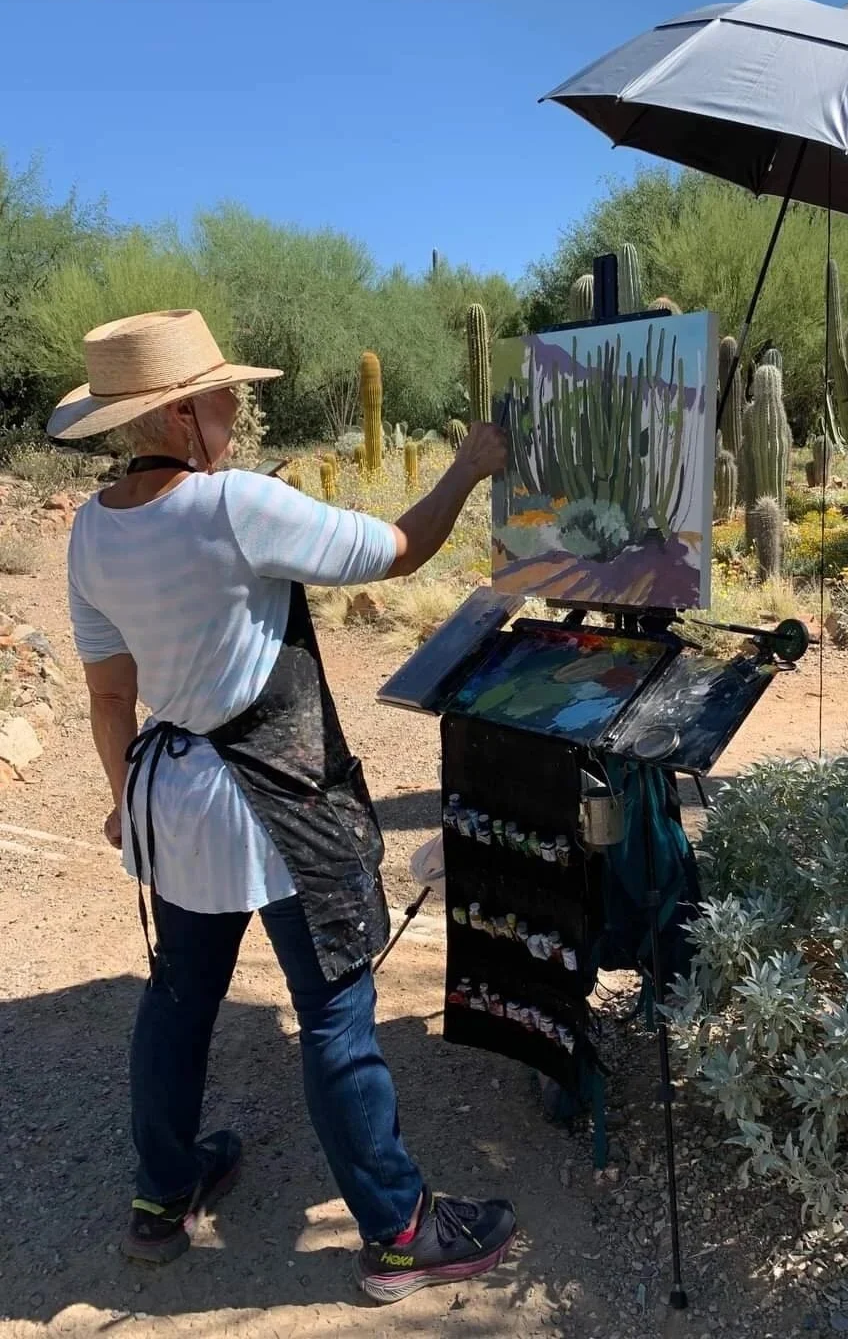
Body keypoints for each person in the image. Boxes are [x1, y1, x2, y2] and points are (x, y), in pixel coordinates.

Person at [47, 309, 515, 1304]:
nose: (237, 407)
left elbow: (110, 697)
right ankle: (398, 1229)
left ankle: (163, 1194)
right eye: (223, 394)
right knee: (335, 1007)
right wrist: (469, 469)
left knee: (179, 996)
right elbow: (400, 548)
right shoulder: (234, 505)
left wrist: (125, 800)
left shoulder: (92, 529)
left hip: (175, 805)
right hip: (279, 805)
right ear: (180, 413)